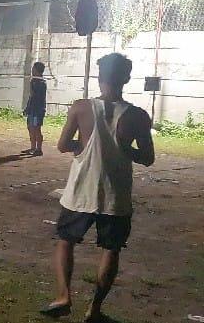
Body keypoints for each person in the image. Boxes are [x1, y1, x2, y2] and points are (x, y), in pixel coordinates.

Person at [40, 53, 154, 323]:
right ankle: (94, 309)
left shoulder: (81, 108)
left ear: (99, 77)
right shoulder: (137, 116)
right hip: (116, 195)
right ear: (126, 78)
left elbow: (63, 145)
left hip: (81, 190)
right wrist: (124, 149)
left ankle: (64, 296)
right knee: (111, 249)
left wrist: (82, 146)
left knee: (66, 241)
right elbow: (147, 157)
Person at [23, 61, 48, 156]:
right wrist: (28, 108)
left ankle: (38, 149)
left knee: (36, 129)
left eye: (33, 69)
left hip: (37, 110)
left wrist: (28, 108)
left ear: (37, 70)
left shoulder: (40, 83)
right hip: (33, 109)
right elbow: (31, 97)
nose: (32, 70)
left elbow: (34, 96)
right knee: (30, 128)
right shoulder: (35, 81)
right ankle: (33, 147)